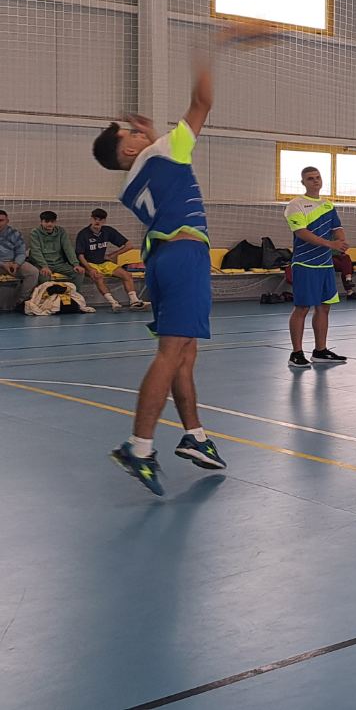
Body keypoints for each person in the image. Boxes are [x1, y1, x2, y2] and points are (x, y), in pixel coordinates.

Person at [92, 30, 254, 495]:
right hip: (184, 256)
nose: (139, 131)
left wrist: (147, 133)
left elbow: (154, 152)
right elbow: (202, 103)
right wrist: (212, 48)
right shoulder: (162, 152)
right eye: (130, 133)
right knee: (171, 353)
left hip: (163, 259)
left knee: (185, 352)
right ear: (129, 149)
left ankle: (195, 436)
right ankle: (138, 447)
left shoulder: (131, 183)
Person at [284, 166, 351, 369]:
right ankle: (296, 353)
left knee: (324, 307)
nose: (315, 181)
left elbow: (337, 228)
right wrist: (331, 244)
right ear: (303, 182)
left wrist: (341, 241)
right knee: (302, 307)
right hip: (305, 264)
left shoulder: (327, 205)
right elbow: (301, 232)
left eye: (318, 177)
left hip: (325, 265)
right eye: (310, 178)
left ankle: (320, 351)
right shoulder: (295, 205)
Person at [75, 208, 143, 309]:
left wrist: (113, 255)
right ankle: (113, 303)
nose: (97, 222)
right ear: (91, 219)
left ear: (104, 221)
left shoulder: (108, 231)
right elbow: (80, 255)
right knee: (98, 277)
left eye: (100, 220)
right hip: (89, 263)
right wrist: (89, 268)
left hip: (103, 262)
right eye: (95, 219)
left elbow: (129, 245)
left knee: (127, 275)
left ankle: (134, 301)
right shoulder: (83, 234)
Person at [0, 209, 42, 313]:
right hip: (1, 263)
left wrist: (17, 264)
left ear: (7, 221)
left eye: (1, 220)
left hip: (13, 263)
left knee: (33, 272)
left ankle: (21, 302)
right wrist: (3, 264)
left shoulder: (15, 234)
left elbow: (21, 252)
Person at [27, 211, 78, 286]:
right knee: (44, 276)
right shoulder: (35, 233)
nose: (50, 224)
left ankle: (75, 293)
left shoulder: (61, 231)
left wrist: (75, 264)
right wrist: (44, 266)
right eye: (46, 221)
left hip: (59, 263)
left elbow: (68, 248)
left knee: (78, 273)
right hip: (42, 264)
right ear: (41, 222)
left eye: (52, 221)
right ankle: (44, 293)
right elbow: (36, 251)